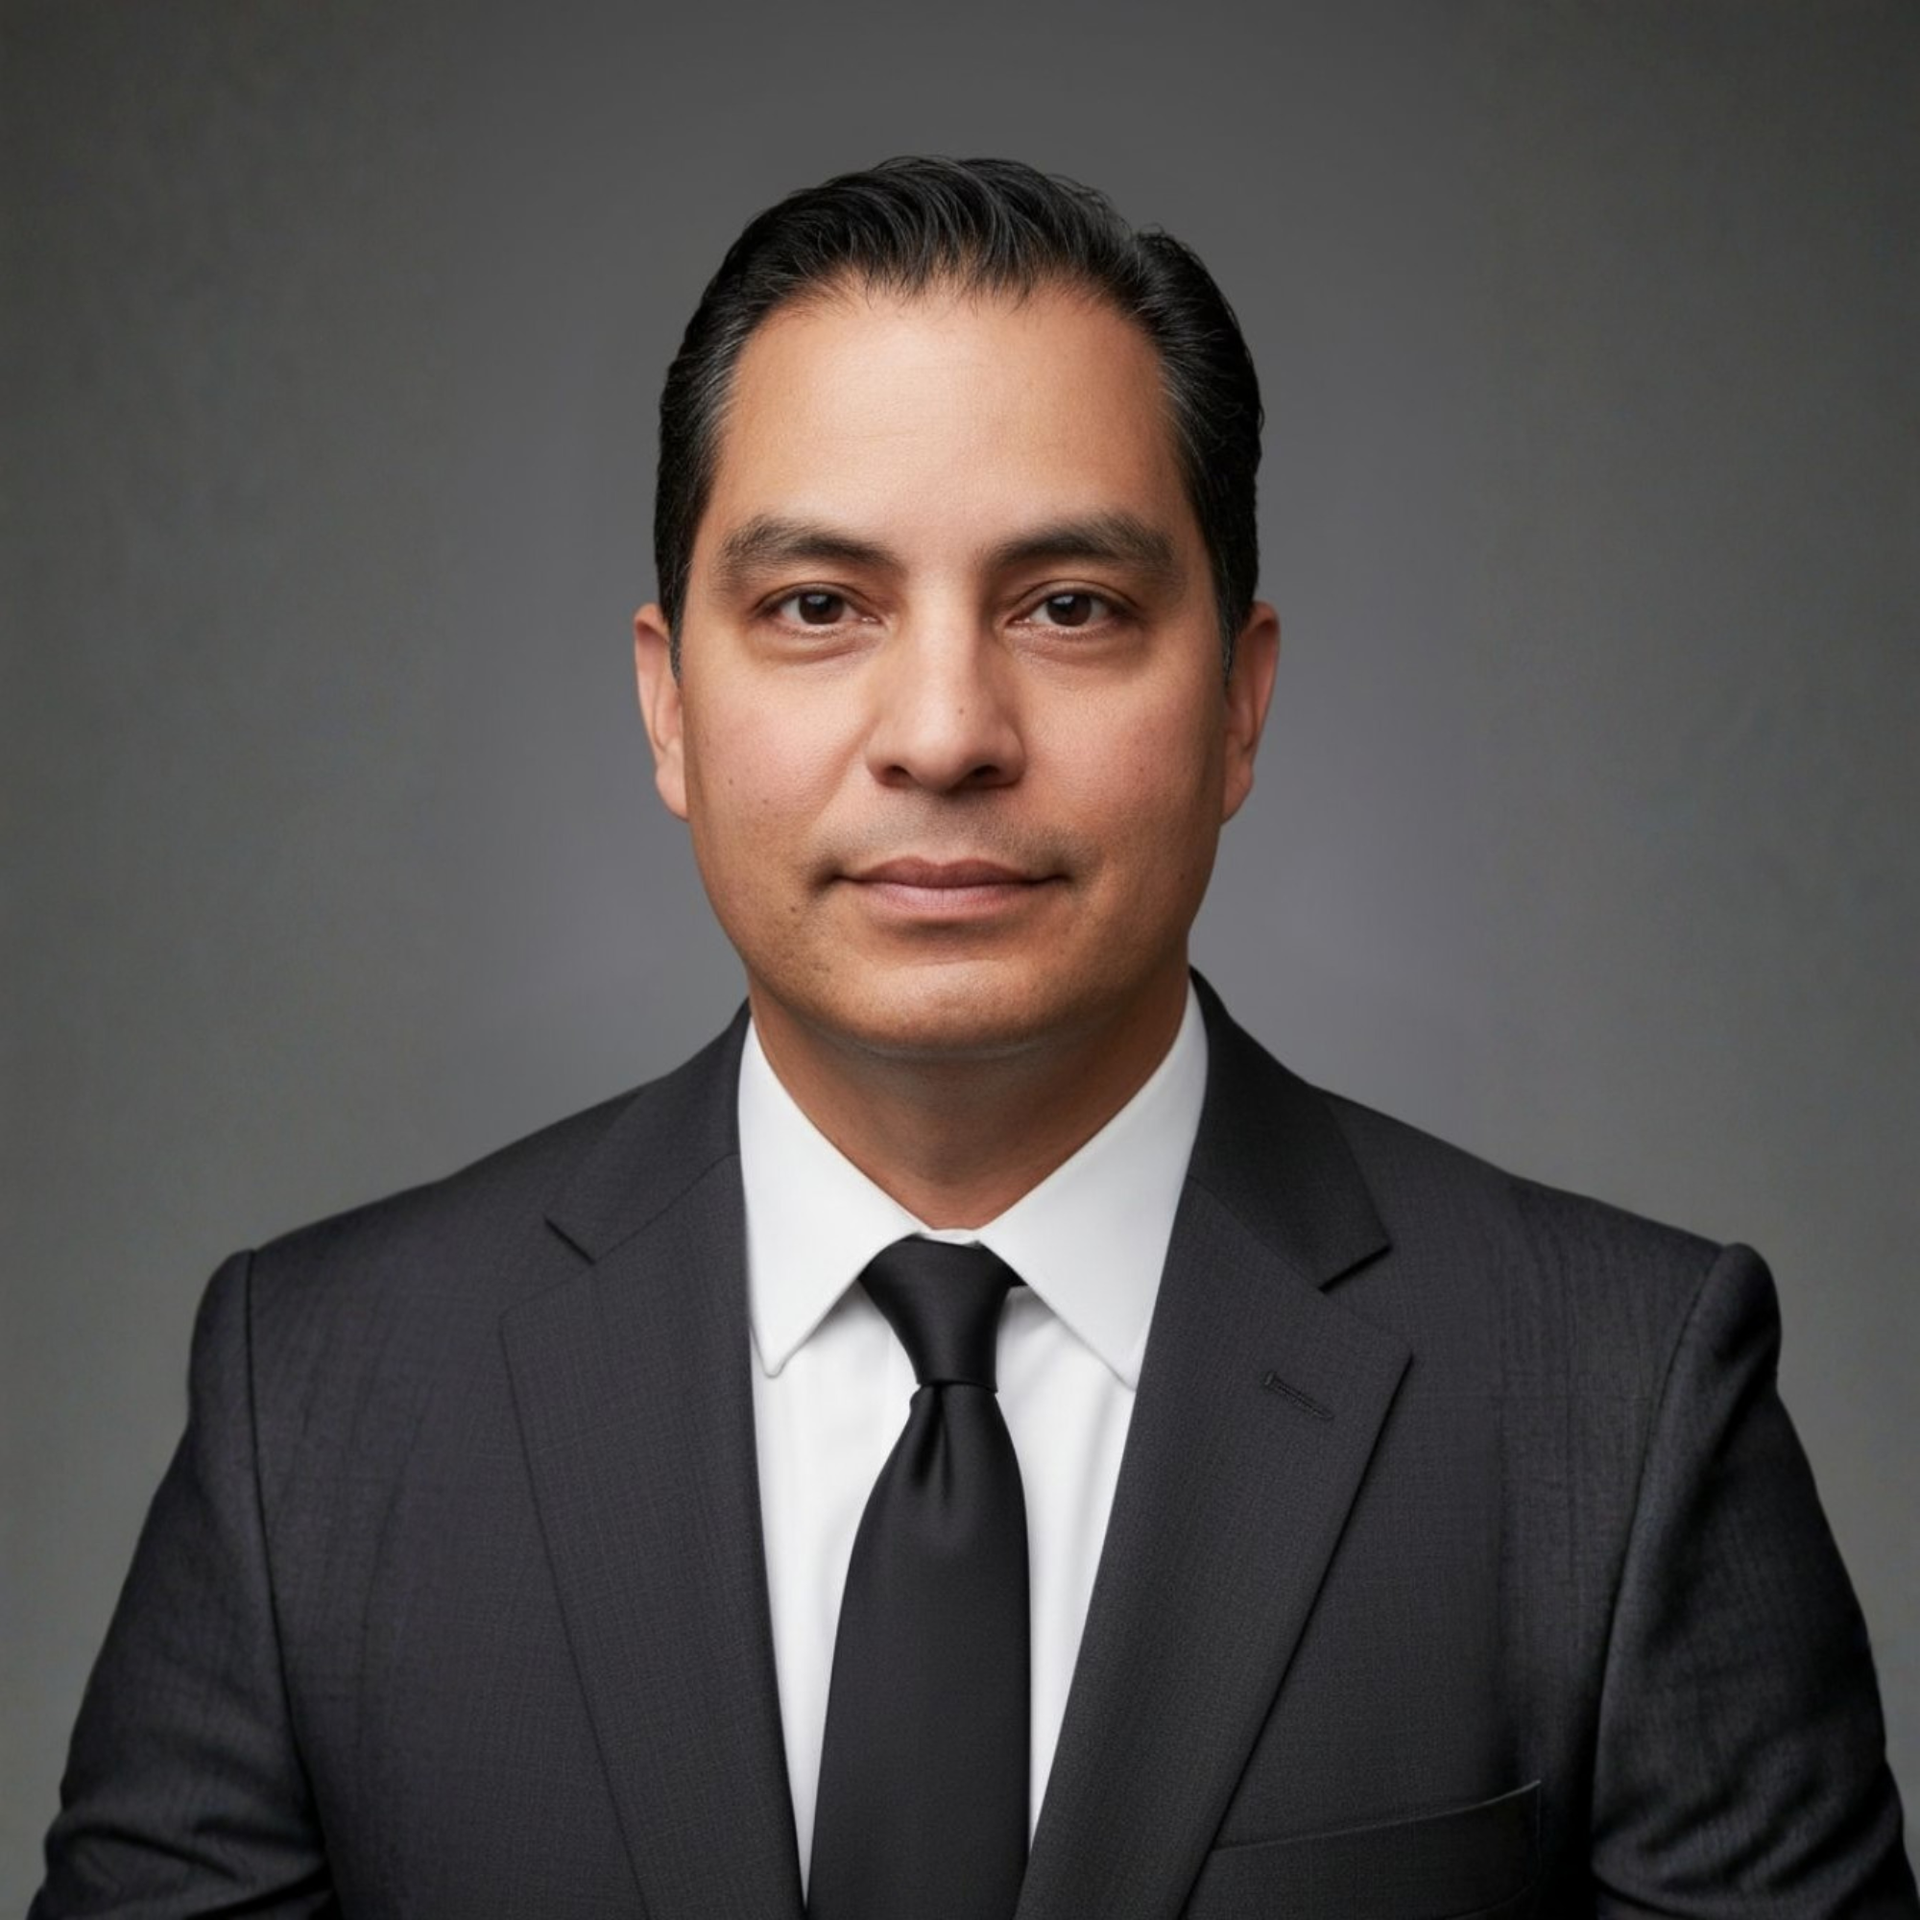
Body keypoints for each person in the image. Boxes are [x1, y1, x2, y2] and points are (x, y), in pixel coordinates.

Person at [33, 156, 1914, 1919]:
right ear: (667, 703)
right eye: (819, 605)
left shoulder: (1623, 1405)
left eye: (1072, 606)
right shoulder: (322, 1405)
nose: (945, 729)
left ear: (1242, 705)